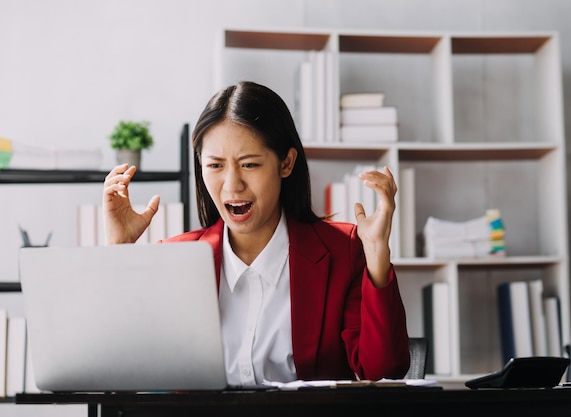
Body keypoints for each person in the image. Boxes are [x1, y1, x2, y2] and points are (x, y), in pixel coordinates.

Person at [102, 81, 410, 386]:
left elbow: (383, 370)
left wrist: (377, 256)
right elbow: (125, 368)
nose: (232, 184)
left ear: (286, 163)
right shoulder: (176, 257)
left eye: (249, 164)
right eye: (215, 165)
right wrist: (120, 252)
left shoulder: (342, 249)